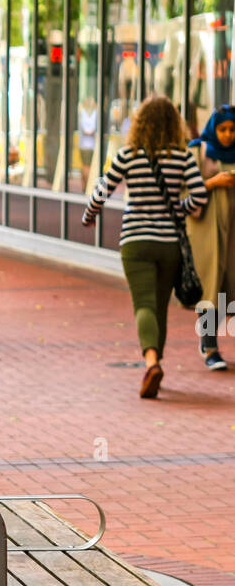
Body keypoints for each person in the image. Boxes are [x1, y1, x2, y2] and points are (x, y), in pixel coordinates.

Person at [82, 94, 208, 399]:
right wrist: (179, 209)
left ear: (140, 124)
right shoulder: (183, 157)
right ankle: (156, 364)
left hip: (135, 241)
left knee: (143, 304)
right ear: (173, 125)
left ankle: (151, 362)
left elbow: (102, 191)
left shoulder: (127, 155)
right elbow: (200, 197)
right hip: (169, 245)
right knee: (159, 306)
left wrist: (89, 216)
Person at [186, 106, 235, 370]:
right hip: (207, 230)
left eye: (232, 130)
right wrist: (214, 182)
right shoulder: (198, 151)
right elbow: (185, 189)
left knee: (230, 286)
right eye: (222, 129)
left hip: (233, 229)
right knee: (211, 288)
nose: (227, 135)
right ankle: (210, 346)